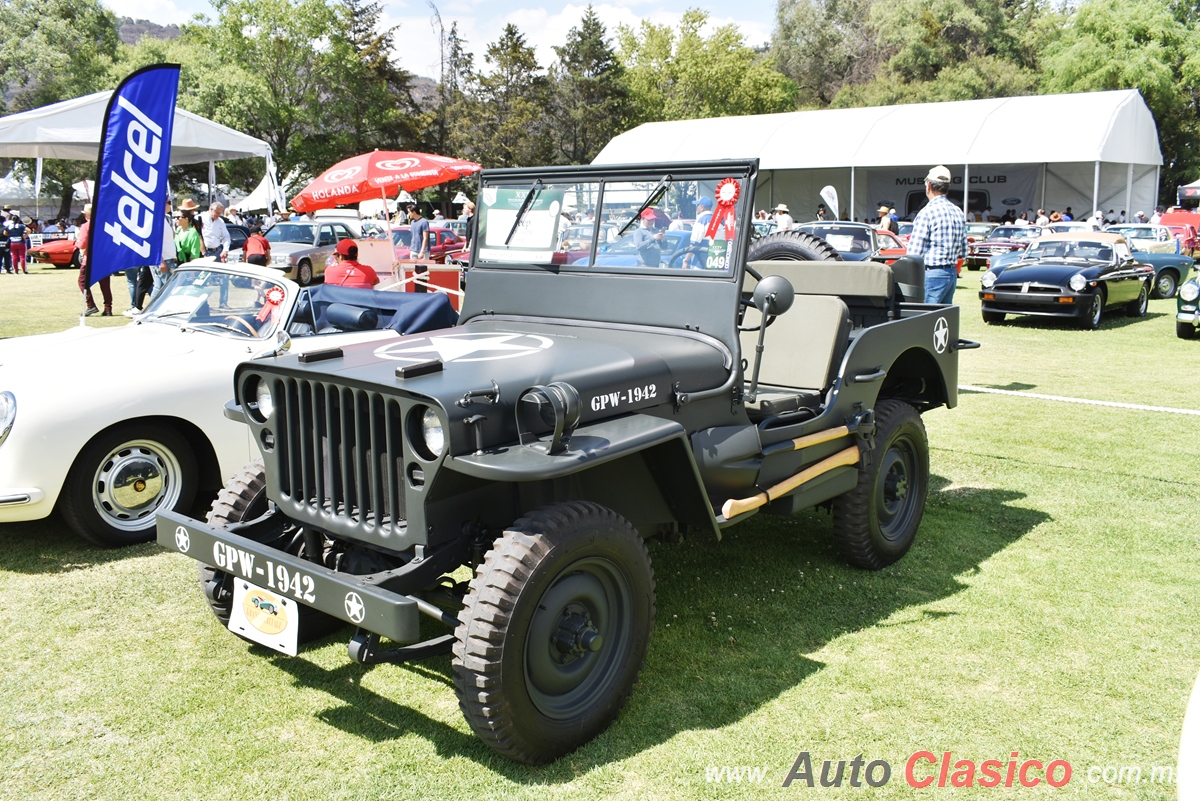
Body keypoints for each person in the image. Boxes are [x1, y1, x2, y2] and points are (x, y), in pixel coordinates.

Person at [906, 165, 967, 304]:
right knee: (943, 321)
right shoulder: (958, 211)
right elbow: (963, 252)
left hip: (932, 274)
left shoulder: (927, 212)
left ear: (928, 186)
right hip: (951, 273)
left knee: (926, 320)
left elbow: (913, 255)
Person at [76, 204, 113, 316]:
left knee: (82, 282)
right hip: (104, 257)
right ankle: (108, 308)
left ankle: (91, 305)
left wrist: (77, 243)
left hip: (90, 258)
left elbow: (82, 243)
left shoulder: (86, 226)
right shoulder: (105, 224)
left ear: (87, 214)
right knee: (105, 284)